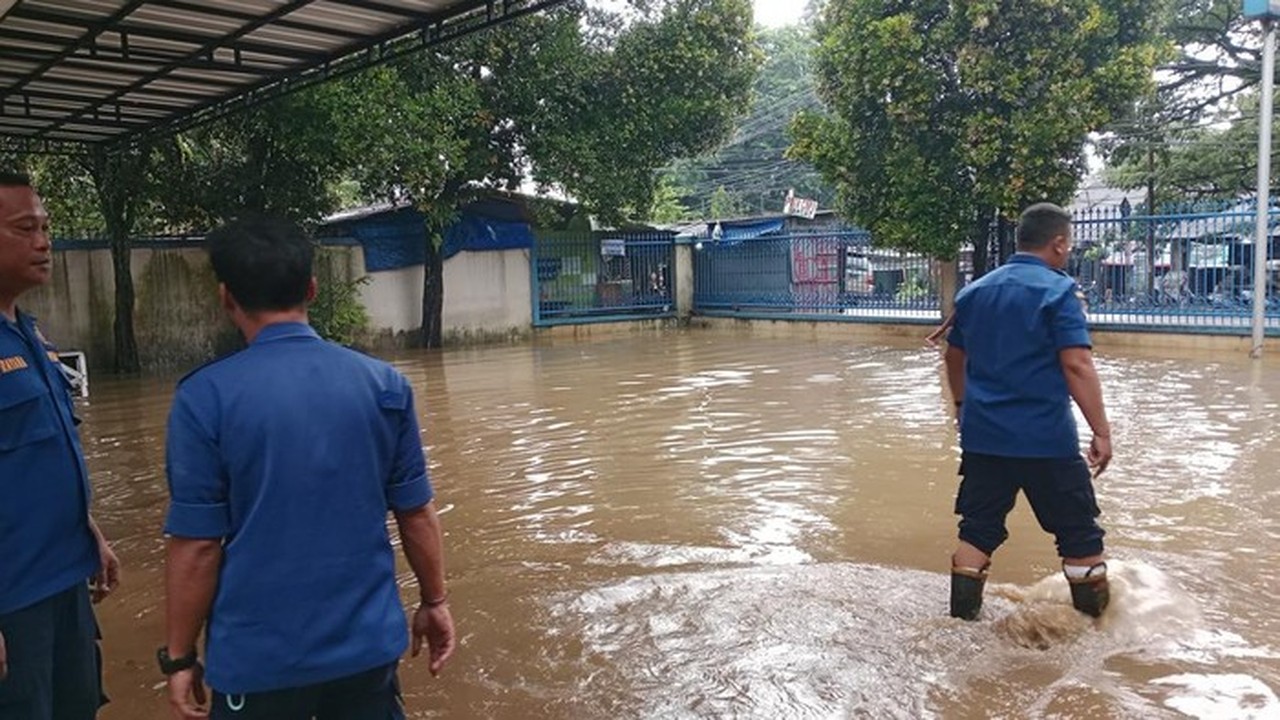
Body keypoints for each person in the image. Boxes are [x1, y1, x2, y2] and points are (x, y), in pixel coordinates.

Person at [161, 215, 455, 720]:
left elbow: (198, 546)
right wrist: (434, 601)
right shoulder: (384, 386)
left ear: (226, 297)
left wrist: (180, 655)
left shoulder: (203, 399)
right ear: (313, 289)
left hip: (258, 660)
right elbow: (416, 514)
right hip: (366, 651)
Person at [943, 202, 1113, 621]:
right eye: (1068, 245)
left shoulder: (975, 292)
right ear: (1058, 243)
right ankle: (1097, 638)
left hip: (983, 437)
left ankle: (960, 625)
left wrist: (963, 406)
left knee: (977, 530)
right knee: (1079, 534)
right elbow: (1077, 364)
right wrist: (1101, 432)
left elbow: (953, 357)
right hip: (1045, 440)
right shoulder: (1059, 292)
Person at [0, 171, 120, 720]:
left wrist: (87, 529)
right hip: (13, 599)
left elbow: (39, 450)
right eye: (25, 228)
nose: (45, 242)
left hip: (65, 578)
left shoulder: (29, 332)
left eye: (46, 227)